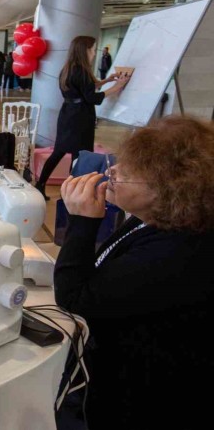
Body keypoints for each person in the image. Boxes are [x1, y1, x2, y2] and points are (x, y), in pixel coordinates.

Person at [54, 116, 214, 430]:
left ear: (168, 191)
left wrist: (82, 221)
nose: (111, 172)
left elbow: (76, 299)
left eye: (126, 173)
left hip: (151, 394)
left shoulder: (176, 253)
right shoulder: (156, 220)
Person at [34, 36, 128, 199]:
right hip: (80, 117)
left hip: (68, 114)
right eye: (92, 49)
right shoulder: (82, 70)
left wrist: (107, 80)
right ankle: (71, 191)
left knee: (59, 152)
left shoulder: (69, 68)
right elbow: (91, 97)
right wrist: (117, 86)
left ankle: (41, 184)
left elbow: (85, 88)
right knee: (80, 154)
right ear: (84, 50)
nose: (93, 53)